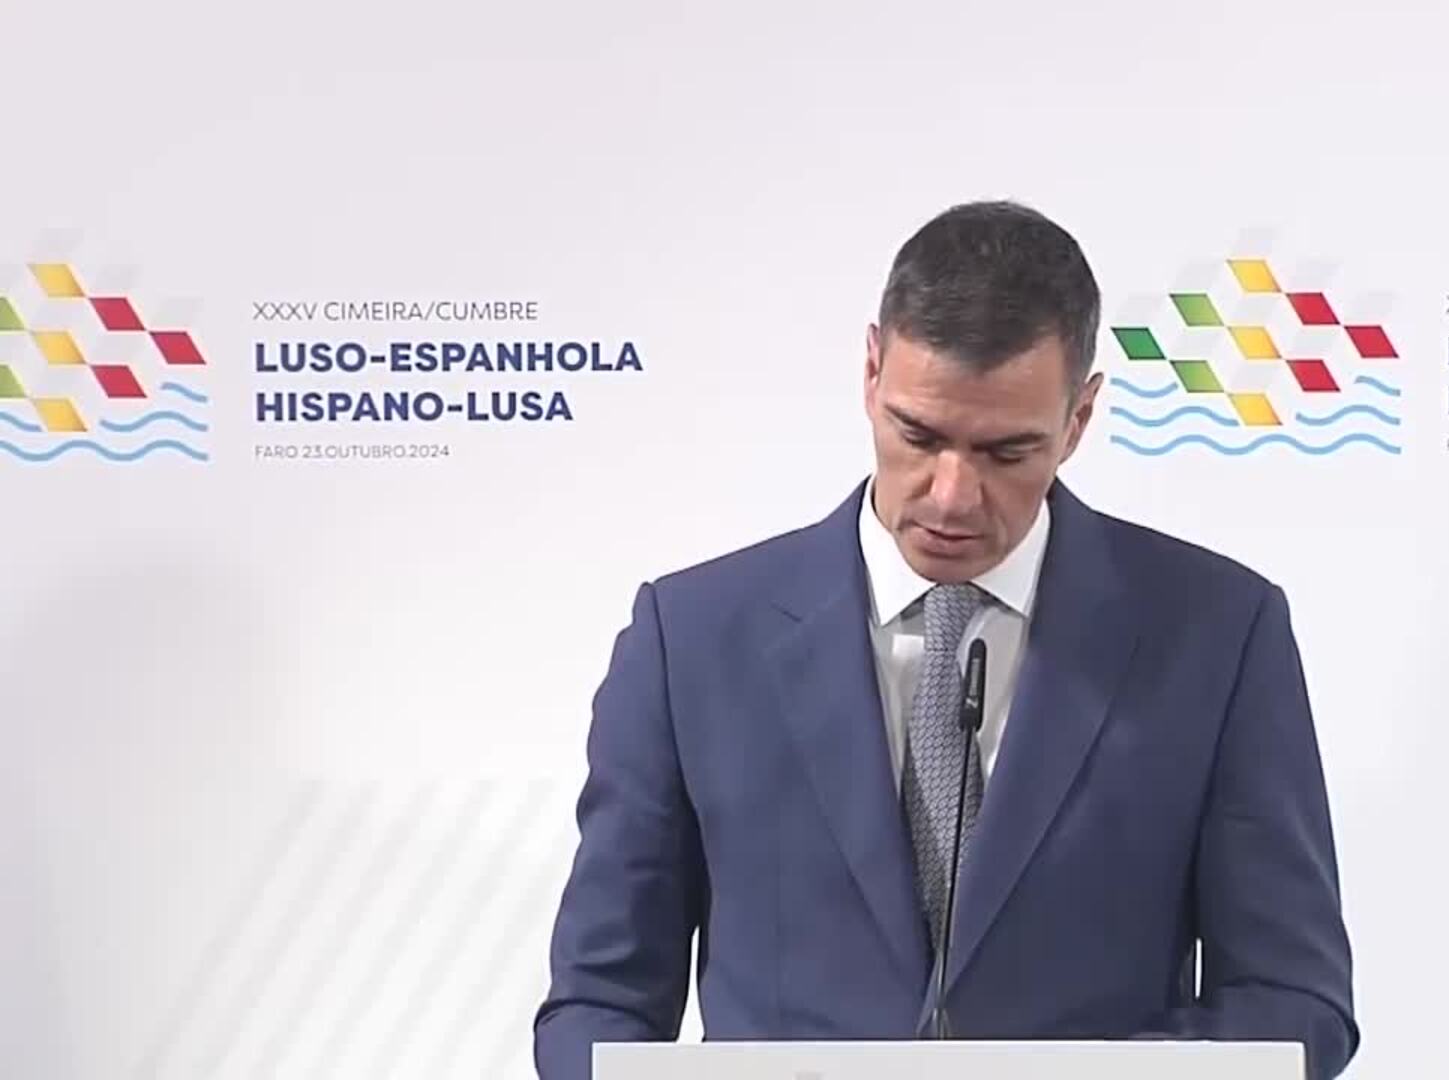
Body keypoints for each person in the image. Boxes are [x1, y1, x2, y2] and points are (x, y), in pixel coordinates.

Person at [534, 200, 1358, 1079]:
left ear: (1079, 420)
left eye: (1007, 452)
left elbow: (1293, 1001)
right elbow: (598, 1007)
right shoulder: (690, 639)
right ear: (870, 373)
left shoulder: (1219, 635)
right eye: (918, 436)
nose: (952, 495)